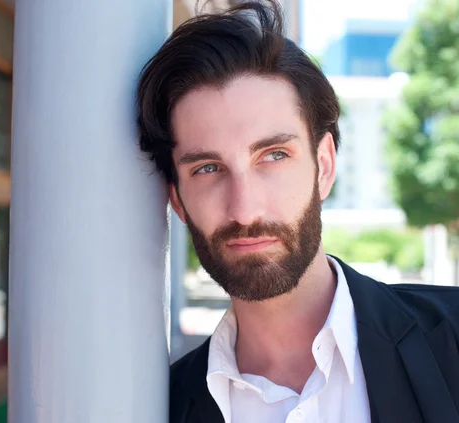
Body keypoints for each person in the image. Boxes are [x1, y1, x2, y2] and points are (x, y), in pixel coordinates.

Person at [135, 2, 459, 422]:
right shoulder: (160, 408)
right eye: (208, 168)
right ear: (176, 198)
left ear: (323, 166)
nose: (245, 208)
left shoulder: (451, 341)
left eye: (273, 156)